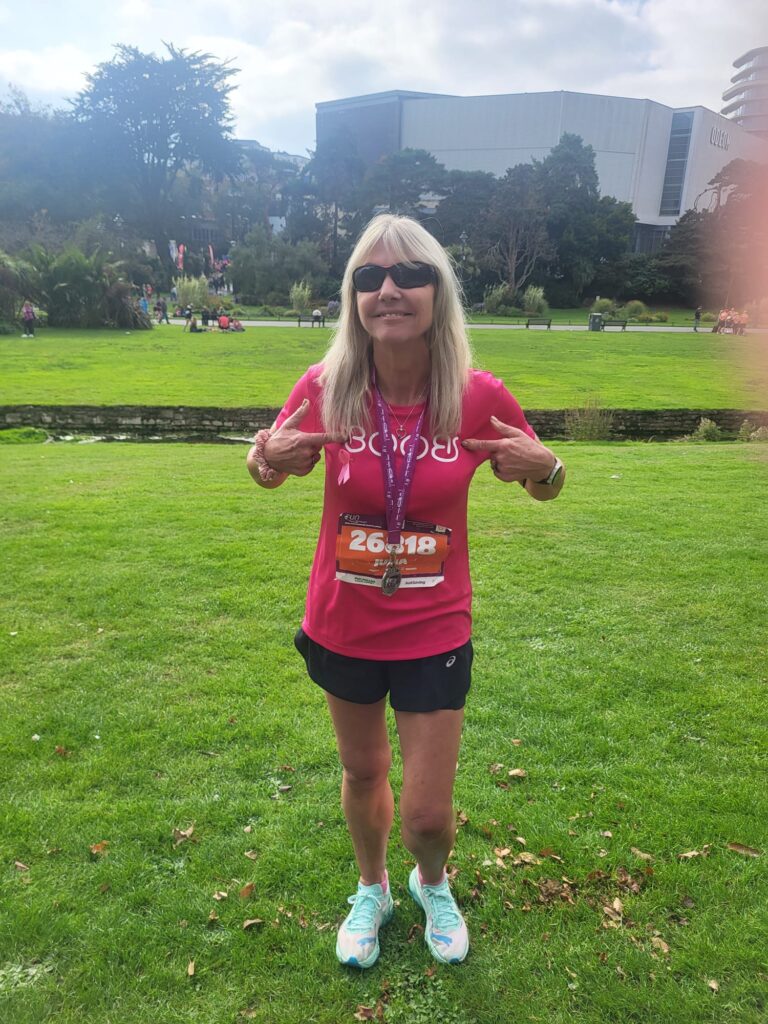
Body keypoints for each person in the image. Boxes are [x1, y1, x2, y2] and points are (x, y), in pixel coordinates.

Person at [247, 214, 565, 969]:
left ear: (437, 291)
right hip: (344, 623)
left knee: (426, 813)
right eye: (370, 277)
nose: (388, 290)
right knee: (362, 772)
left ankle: (432, 881)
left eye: (408, 275)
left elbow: (542, 483)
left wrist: (550, 467)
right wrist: (263, 461)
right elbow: (268, 467)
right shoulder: (325, 388)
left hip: (434, 629)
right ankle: (373, 888)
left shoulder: (477, 396)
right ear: (353, 297)